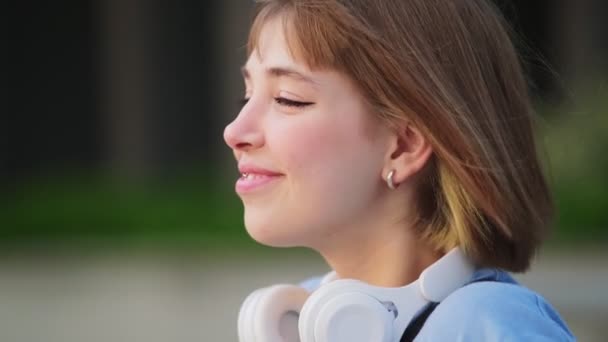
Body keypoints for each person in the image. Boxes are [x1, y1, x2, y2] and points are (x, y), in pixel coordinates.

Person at [224, 0, 575, 341]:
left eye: (287, 98)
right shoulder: (302, 319)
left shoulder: (485, 324)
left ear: (404, 147)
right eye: (247, 96)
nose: (235, 132)